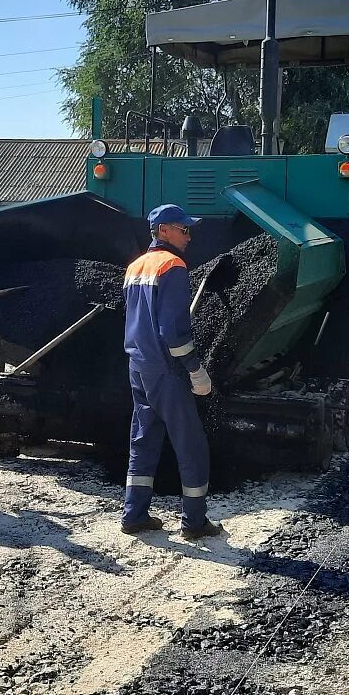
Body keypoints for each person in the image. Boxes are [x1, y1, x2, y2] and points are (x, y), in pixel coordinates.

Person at [120, 204, 222, 540]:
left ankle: (134, 515)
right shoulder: (173, 265)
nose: (189, 236)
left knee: (143, 440)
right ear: (164, 230)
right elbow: (174, 331)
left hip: (138, 366)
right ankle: (194, 523)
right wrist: (195, 370)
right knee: (191, 444)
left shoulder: (135, 267)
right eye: (184, 229)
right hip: (166, 370)